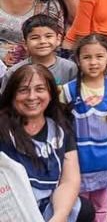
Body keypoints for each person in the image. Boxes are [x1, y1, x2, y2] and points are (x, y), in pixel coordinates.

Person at [0, 64, 95, 222]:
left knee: (83, 209)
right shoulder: (3, 128)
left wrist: (59, 216)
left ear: (51, 94)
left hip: (46, 204)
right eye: (23, 90)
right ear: (12, 95)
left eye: (39, 89)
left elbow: (69, 180)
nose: (32, 97)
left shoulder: (60, 127)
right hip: (10, 206)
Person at [60, 34, 107, 222]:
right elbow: (57, 118)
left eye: (99, 56)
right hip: (80, 163)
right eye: (87, 57)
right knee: (80, 206)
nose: (93, 62)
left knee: (102, 204)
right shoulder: (68, 91)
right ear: (77, 60)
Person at [2, 14, 77, 92]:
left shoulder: (70, 68)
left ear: (58, 39)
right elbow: (5, 101)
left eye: (48, 36)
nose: (42, 41)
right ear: (25, 44)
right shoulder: (15, 72)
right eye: (35, 38)